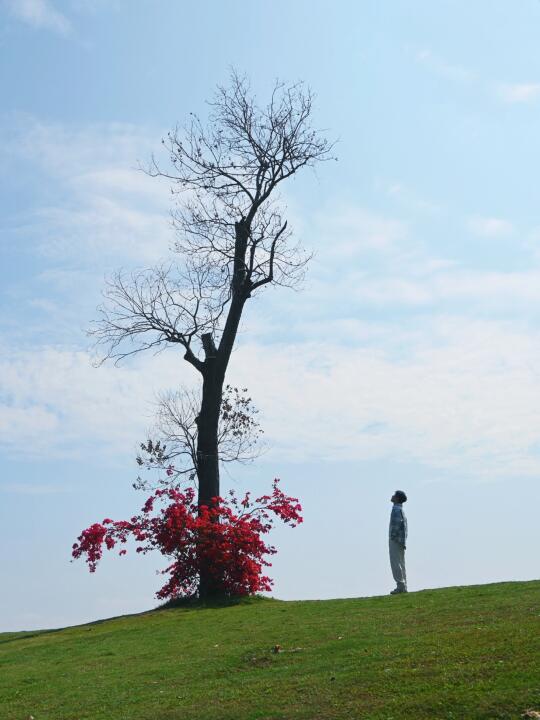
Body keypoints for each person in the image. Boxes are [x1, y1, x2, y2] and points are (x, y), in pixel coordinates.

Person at [389, 490, 408, 594]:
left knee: (395, 563)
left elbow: (396, 524)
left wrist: (392, 537)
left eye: (394, 495)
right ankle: (403, 586)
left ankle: (400, 586)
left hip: (395, 540)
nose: (392, 496)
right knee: (401, 563)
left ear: (397, 498)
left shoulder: (396, 510)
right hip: (401, 540)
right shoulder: (401, 510)